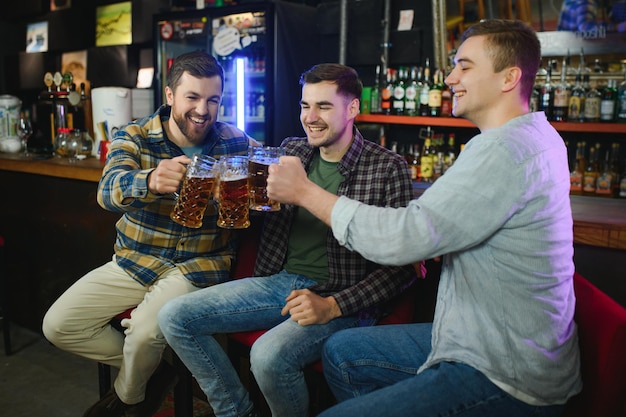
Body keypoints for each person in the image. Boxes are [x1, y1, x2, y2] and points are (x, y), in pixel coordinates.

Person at [266, 20, 582, 417]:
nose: (450, 78)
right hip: (480, 336)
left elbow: (403, 239)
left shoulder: (504, 151)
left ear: (509, 77)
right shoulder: (535, 135)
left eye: (464, 67)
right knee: (343, 352)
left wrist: (306, 193)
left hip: (504, 371)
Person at [157, 63, 417, 417]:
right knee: (174, 316)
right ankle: (236, 411)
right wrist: (224, 191)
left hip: (341, 295)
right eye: (305, 105)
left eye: (323, 106)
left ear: (352, 108)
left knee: (267, 357)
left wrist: (333, 305)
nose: (310, 117)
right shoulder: (291, 151)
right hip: (278, 282)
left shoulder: (387, 167)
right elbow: (255, 203)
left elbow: (403, 270)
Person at [42, 51, 254, 417]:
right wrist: (150, 180)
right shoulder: (135, 137)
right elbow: (107, 191)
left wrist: (255, 192)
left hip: (199, 264)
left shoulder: (235, 142)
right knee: (58, 326)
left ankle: (128, 402)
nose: (203, 109)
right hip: (137, 259)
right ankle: (154, 373)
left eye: (213, 100)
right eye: (192, 97)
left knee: (143, 333)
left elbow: (262, 192)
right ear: (170, 95)